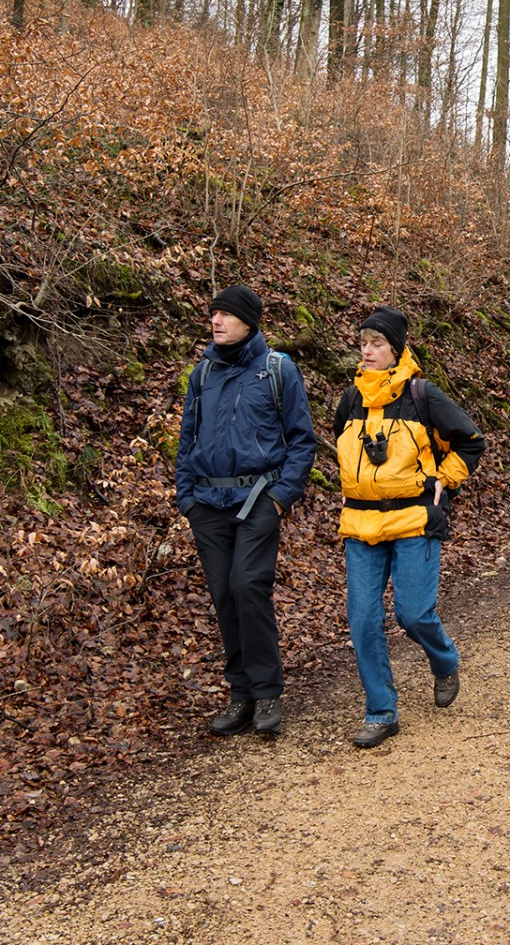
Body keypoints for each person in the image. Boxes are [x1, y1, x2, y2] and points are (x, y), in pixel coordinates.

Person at [333, 306, 486, 748]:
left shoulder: (423, 395)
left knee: (413, 613)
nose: (366, 350)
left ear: (395, 349)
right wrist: (351, 485)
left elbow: (471, 442)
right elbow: (344, 449)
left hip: (415, 517)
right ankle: (381, 711)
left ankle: (444, 660)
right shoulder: (350, 399)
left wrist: (444, 481)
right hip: (361, 522)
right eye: (362, 343)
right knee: (363, 619)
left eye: (376, 343)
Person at [175, 284, 317, 738]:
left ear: (249, 321)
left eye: (225, 315)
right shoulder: (202, 375)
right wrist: (187, 498)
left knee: (247, 585)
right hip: (207, 503)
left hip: (258, 498)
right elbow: (187, 440)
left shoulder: (278, 370)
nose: (215, 321)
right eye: (212, 314)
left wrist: (280, 498)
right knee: (224, 594)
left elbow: (301, 441)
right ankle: (241, 694)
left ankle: (267, 691)